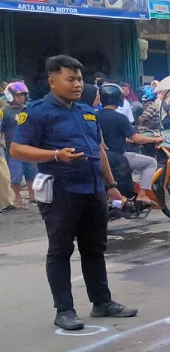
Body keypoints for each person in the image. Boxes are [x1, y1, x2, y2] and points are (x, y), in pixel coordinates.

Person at [10, 55, 137, 331]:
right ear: (52, 80)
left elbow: (99, 150)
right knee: (60, 250)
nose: (78, 84)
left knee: (95, 248)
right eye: (71, 79)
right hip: (60, 192)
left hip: (92, 190)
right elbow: (17, 149)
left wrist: (112, 186)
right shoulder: (36, 112)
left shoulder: (86, 112)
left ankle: (102, 302)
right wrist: (55, 155)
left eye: (80, 79)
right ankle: (64, 310)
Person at [97, 83, 164, 204]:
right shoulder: (120, 118)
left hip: (101, 157)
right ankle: (142, 195)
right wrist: (155, 139)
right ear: (119, 99)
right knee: (151, 163)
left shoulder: (95, 116)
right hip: (120, 157)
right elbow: (137, 138)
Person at [2, 82, 36, 208]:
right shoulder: (4, 112)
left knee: (32, 172)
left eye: (23, 95)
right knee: (15, 175)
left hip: (30, 147)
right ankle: (17, 197)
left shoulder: (29, 109)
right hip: (13, 150)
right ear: (10, 96)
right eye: (18, 95)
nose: (21, 98)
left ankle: (32, 196)